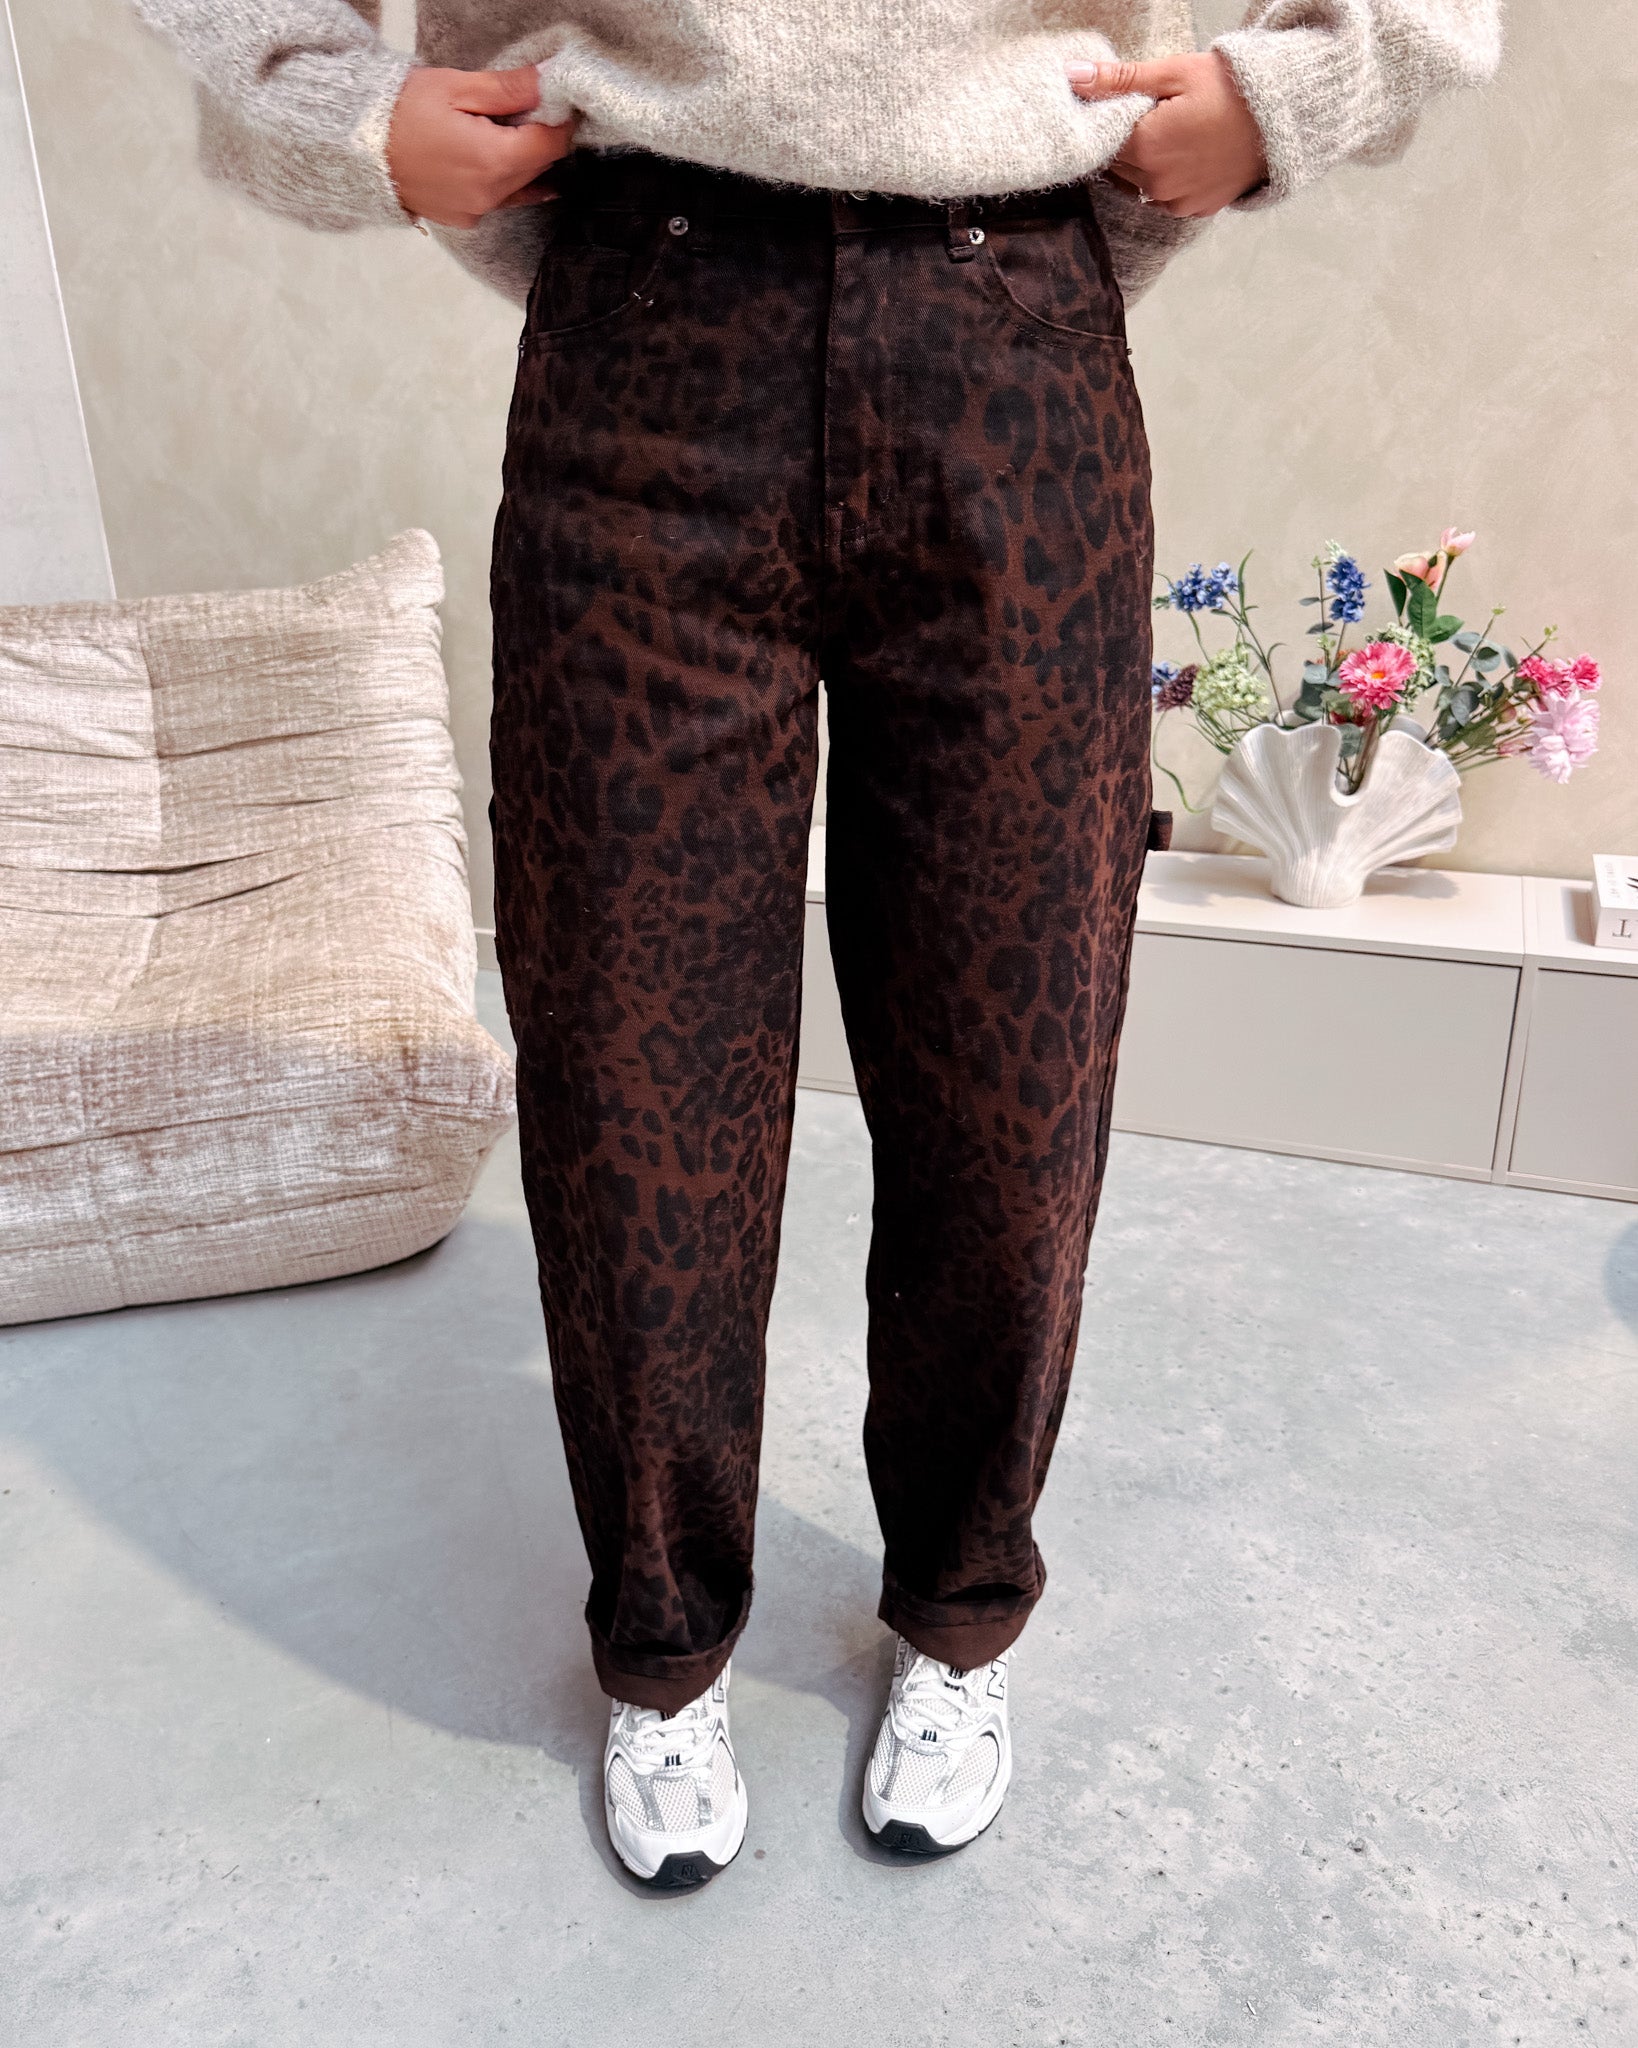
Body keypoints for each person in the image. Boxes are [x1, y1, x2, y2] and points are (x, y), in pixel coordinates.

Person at [132, 0, 1501, 1890]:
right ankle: (663, 1641)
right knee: (632, 1073)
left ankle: (958, 1607)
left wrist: (1297, 89)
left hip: (1010, 338)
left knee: (1011, 1076)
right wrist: (337, 110)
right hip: (646, 321)